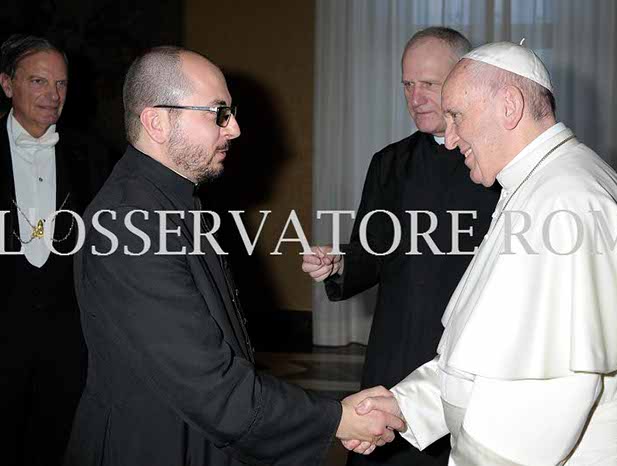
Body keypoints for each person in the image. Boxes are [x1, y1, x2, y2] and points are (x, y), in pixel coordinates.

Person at [349, 41, 617, 465]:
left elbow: (542, 409)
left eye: (457, 116)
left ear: (509, 106)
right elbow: (493, 352)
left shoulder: (566, 201)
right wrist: (405, 405)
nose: (450, 138)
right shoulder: (538, 184)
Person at [64, 46, 405, 466]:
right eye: (218, 113)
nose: (235, 128)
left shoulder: (166, 202)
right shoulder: (128, 223)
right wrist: (338, 419)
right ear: (156, 122)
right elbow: (213, 389)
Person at [302, 27, 500, 466]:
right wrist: (339, 263)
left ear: (462, 82)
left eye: (429, 83)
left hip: (473, 350)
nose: (416, 97)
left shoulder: (499, 164)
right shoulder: (389, 163)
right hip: (397, 346)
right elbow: (371, 251)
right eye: (407, 84)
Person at [0, 34, 111, 466]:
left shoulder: (92, 155)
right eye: (38, 81)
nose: (53, 94)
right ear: (7, 84)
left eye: (61, 83)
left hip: (67, 341)